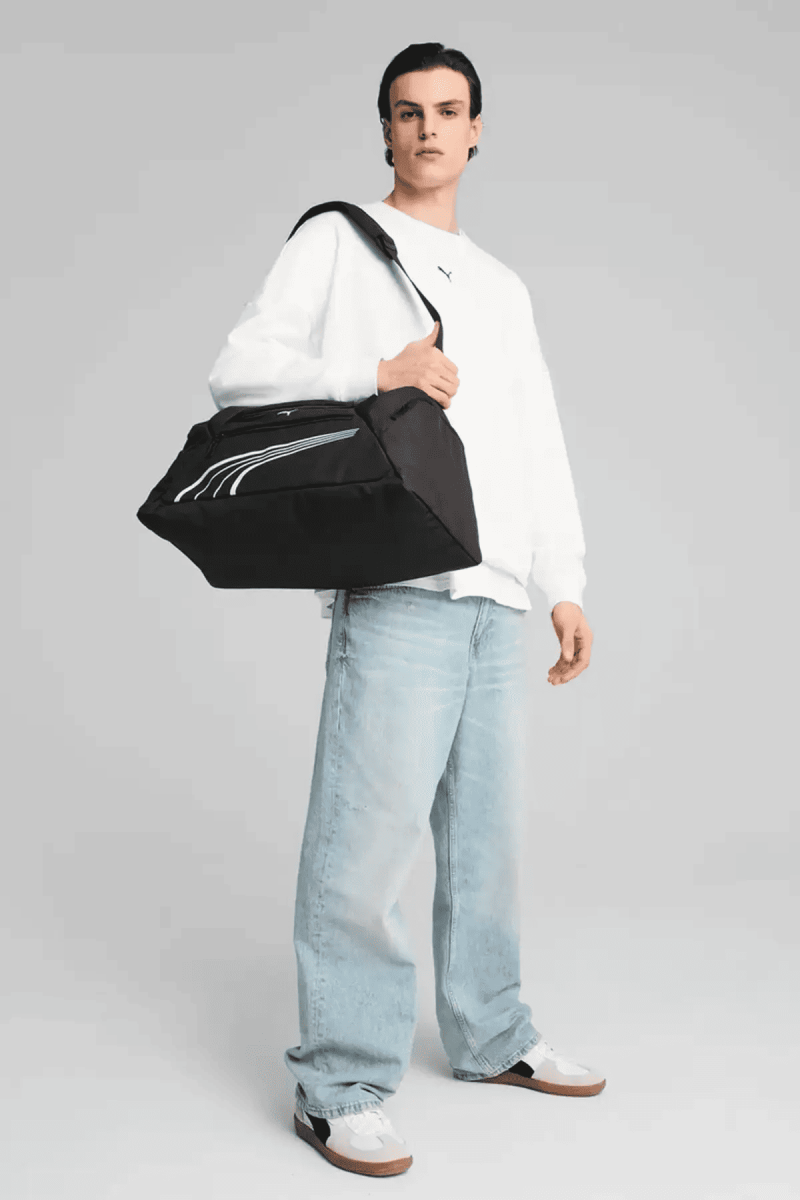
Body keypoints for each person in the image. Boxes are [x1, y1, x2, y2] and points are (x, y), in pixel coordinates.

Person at [208, 41, 604, 1179]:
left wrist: (562, 583)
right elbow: (240, 371)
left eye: (447, 110)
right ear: (383, 130)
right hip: (399, 587)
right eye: (406, 111)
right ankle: (337, 1084)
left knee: (485, 844)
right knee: (364, 847)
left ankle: (492, 1033)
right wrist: (372, 373)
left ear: (477, 129)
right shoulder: (339, 244)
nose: (427, 129)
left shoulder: (503, 286)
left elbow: (533, 440)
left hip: (493, 601)